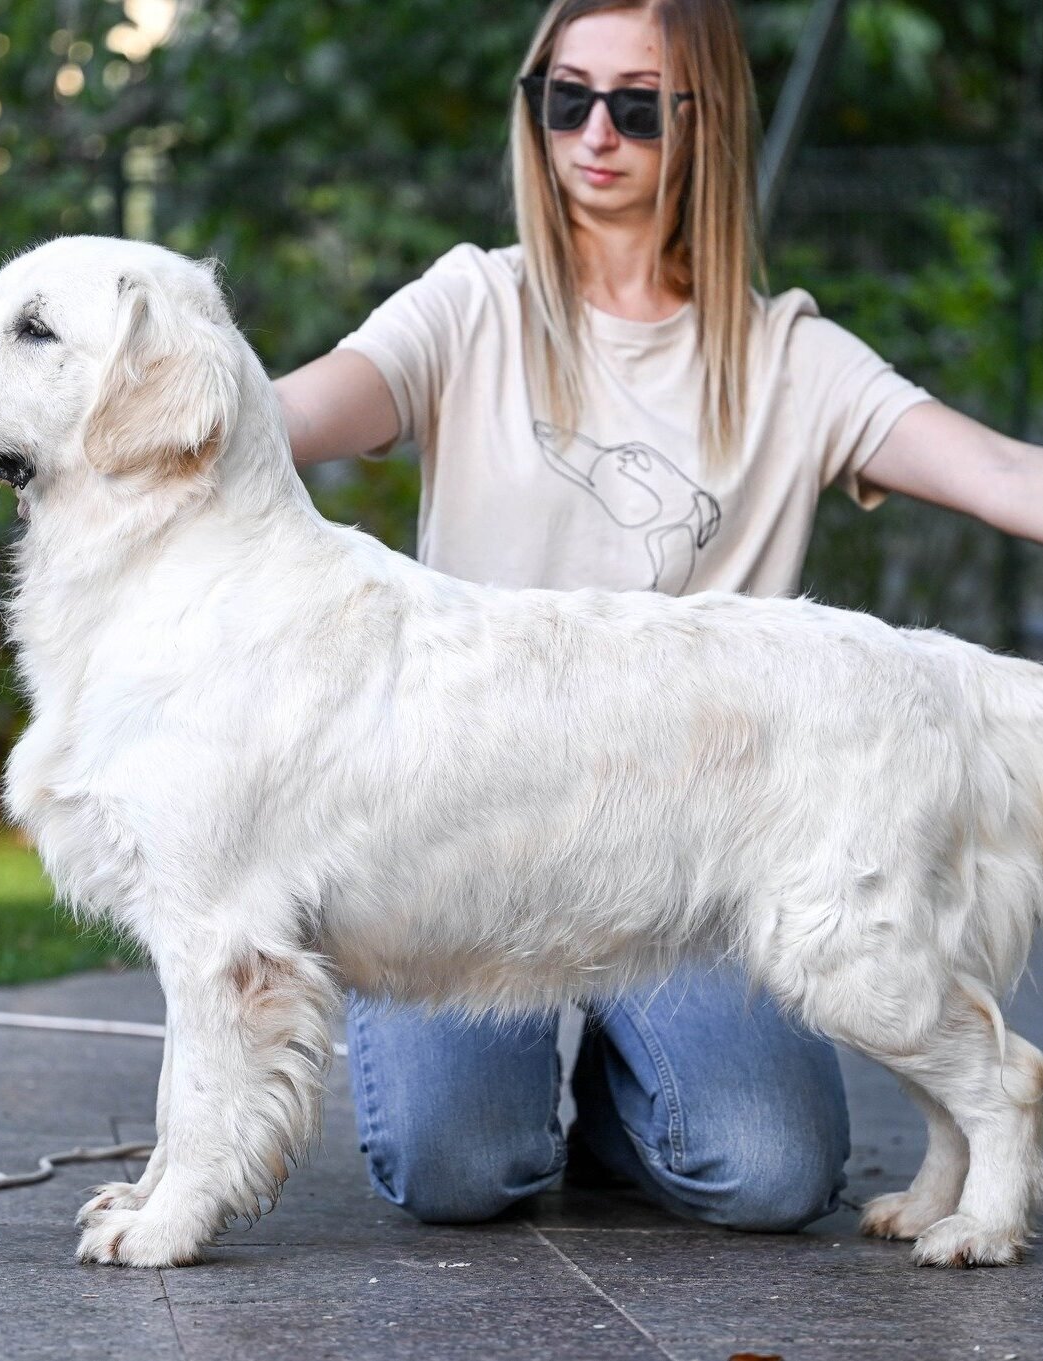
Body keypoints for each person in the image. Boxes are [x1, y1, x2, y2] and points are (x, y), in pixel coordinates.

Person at [271, 0, 1043, 1232]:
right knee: (455, 1169)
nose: (593, 134)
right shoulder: (469, 306)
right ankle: (560, 1092)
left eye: (635, 105)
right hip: (466, 835)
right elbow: (277, 419)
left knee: (767, 1172)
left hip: (699, 857)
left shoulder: (789, 356)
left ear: (704, 122)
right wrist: (126, 387)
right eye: (562, 97)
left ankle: (625, 1099)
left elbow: (1008, 477)